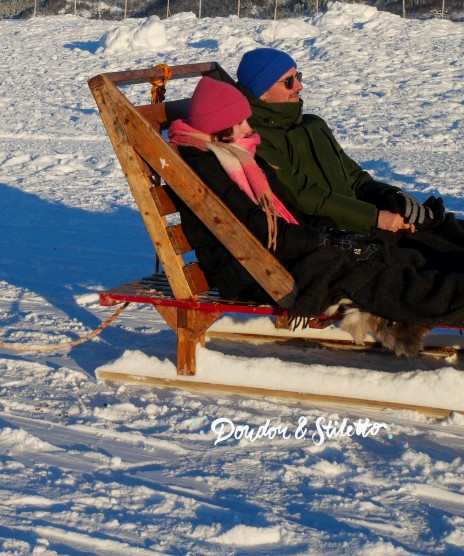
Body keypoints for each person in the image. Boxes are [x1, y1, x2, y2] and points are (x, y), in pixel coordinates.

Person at [170, 76, 464, 356]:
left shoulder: (238, 156)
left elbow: (291, 215)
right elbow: (260, 230)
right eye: (239, 123)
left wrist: (333, 234)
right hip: (256, 269)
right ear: (218, 130)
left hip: (283, 252)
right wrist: (325, 241)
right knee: (369, 277)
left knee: (387, 252)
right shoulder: (208, 170)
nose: (250, 129)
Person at [235, 46, 459, 240]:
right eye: (288, 81)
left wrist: (391, 196)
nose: (299, 86)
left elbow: (354, 177)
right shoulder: (256, 140)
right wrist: (374, 218)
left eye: (298, 76)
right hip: (335, 235)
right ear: (262, 93)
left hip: (363, 223)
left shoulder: (313, 125)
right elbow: (302, 195)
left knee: (449, 227)